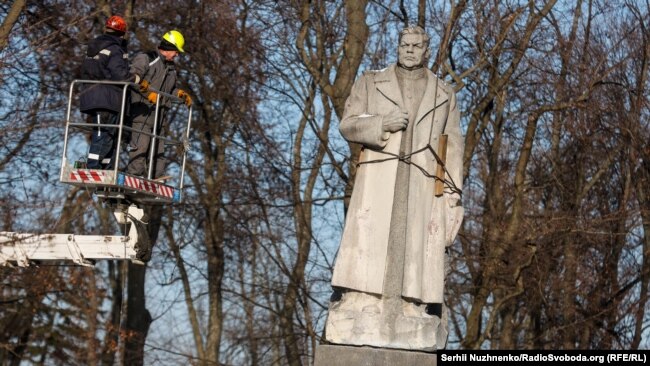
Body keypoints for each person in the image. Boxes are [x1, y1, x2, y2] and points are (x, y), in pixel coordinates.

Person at [324, 26, 465, 350]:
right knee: (371, 242)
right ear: (397, 46)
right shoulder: (371, 82)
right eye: (405, 45)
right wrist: (380, 124)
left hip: (422, 181)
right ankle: (363, 298)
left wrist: (453, 195)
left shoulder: (443, 93)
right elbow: (348, 123)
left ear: (426, 50)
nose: (410, 50)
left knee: (416, 246)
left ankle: (410, 305)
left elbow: (453, 144)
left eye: (417, 46)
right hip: (379, 179)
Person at [126, 30, 192, 180]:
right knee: (141, 147)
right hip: (142, 112)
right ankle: (133, 176)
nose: (177, 55)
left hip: (160, 116)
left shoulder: (171, 69)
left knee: (158, 150)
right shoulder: (146, 59)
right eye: (176, 51)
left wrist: (179, 94)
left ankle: (156, 177)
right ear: (169, 47)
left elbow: (170, 89)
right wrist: (147, 94)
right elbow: (133, 78)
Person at [79, 15, 139, 170]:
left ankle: (105, 167)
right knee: (104, 133)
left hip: (93, 95)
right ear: (122, 33)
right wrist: (136, 79)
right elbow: (120, 74)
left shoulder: (93, 48)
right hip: (108, 98)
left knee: (107, 133)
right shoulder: (115, 49)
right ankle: (94, 167)